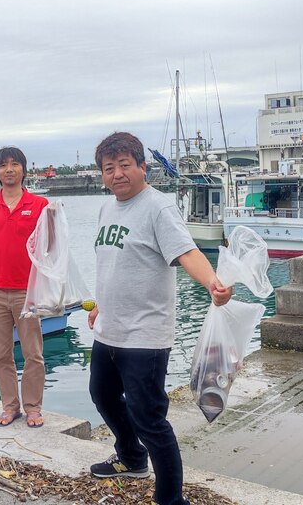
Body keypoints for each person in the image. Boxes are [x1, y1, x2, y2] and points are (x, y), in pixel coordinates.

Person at [86, 132, 232, 505]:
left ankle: (170, 499)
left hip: (145, 336)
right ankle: (131, 457)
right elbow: (114, 264)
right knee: (103, 395)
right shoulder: (107, 209)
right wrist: (100, 305)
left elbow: (187, 252)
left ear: (142, 167)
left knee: (149, 419)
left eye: (124, 165)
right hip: (109, 330)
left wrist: (212, 283)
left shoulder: (158, 208)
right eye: (109, 168)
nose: (117, 174)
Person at [0, 146, 49, 428]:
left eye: (15, 164)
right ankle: (9, 406)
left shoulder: (40, 205)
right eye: (3, 165)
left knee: (33, 354)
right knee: (0, 355)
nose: (9, 170)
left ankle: (33, 407)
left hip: (28, 291)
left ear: (23, 170)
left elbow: (51, 248)